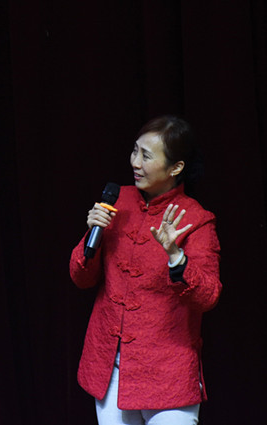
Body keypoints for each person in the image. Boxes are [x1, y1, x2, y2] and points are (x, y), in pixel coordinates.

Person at [69, 116, 221, 425]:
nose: (135, 162)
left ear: (176, 168)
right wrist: (92, 235)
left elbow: (208, 296)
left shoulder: (196, 218)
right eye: (135, 151)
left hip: (168, 372)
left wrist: (175, 255)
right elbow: (81, 278)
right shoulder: (118, 200)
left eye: (147, 156)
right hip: (110, 367)